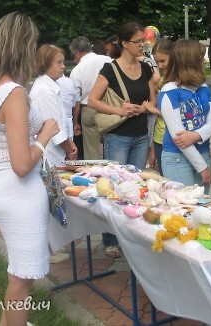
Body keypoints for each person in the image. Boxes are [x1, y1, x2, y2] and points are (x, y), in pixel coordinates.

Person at [0, 12, 60, 326]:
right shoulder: (14, 93)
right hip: (18, 193)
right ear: (23, 47)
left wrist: (16, 136)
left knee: (19, 272)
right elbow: (22, 165)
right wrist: (44, 136)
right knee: (22, 279)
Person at [88, 22, 157, 258]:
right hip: (117, 136)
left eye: (143, 41)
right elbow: (93, 100)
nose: (142, 45)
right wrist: (119, 111)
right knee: (114, 188)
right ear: (125, 44)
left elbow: (152, 101)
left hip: (140, 135)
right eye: (138, 41)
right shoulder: (110, 69)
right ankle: (110, 239)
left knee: (135, 188)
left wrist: (142, 108)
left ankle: (132, 236)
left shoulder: (146, 68)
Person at [157, 40, 211, 194]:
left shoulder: (203, 88)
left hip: (203, 153)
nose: (204, 62)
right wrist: (202, 167)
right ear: (190, 63)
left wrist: (195, 135)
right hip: (177, 159)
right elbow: (180, 138)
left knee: (201, 206)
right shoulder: (169, 92)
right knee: (184, 207)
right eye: (200, 58)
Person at [30, 44, 77, 165]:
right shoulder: (46, 91)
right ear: (45, 64)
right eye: (59, 62)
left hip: (52, 153)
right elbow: (57, 131)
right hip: (50, 155)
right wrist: (70, 150)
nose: (63, 66)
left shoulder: (49, 87)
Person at [69, 36, 112, 160]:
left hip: (88, 109)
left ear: (77, 53)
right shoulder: (109, 60)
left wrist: (75, 122)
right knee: (112, 146)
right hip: (110, 109)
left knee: (91, 152)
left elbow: (76, 100)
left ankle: (93, 174)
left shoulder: (77, 70)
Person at [149, 38, 174, 174]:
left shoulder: (180, 81)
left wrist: (150, 108)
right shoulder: (161, 81)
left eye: (163, 61)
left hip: (174, 139)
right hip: (159, 137)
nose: (160, 65)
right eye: (156, 62)